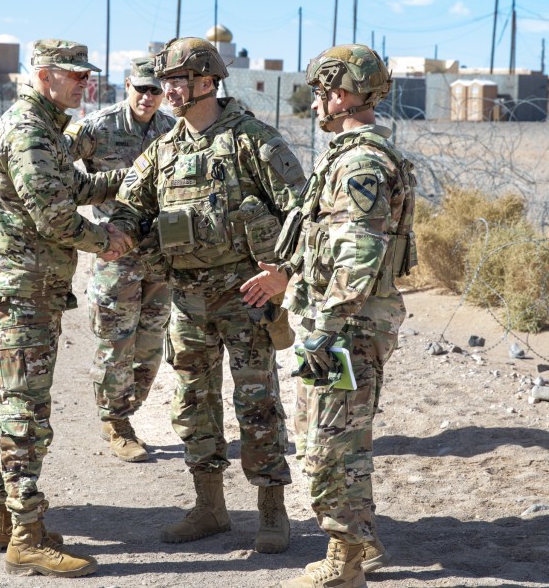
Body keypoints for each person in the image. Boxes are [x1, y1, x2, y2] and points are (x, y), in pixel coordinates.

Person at [108, 37, 306, 553]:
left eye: (179, 80)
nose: (169, 90)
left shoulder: (252, 140)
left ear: (207, 82)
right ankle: (210, 508)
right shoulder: (163, 151)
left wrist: (282, 274)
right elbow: (131, 206)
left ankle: (271, 512)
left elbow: (301, 216)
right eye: (165, 80)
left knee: (257, 403)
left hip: (247, 298)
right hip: (187, 301)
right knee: (193, 403)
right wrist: (114, 234)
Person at [241, 44, 417, 588]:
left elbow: (359, 256)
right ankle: (362, 540)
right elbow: (326, 240)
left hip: (346, 331)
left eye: (321, 92)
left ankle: (345, 563)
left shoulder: (361, 163)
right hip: (340, 323)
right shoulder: (345, 156)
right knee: (340, 438)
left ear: (340, 94)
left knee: (327, 447)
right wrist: (287, 273)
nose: (316, 102)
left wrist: (325, 329)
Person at [0, 39, 132, 578]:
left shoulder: (46, 128)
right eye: (74, 75)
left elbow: (74, 185)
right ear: (44, 75)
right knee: (26, 413)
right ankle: (26, 535)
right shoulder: (28, 131)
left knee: (13, 404)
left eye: (86, 75)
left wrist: (132, 176)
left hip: (30, 285)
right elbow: (54, 217)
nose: (84, 82)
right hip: (25, 288)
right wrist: (104, 240)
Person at [66, 57, 175, 462]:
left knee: (149, 346)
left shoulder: (171, 129)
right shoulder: (98, 127)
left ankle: (130, 412)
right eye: (141, 88)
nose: (147, 97)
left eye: (155, 90)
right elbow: (57, 170)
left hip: (161, 257)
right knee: (116, 343)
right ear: (127, 85)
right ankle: (117, 424)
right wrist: (89, 217)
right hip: (117, 255)